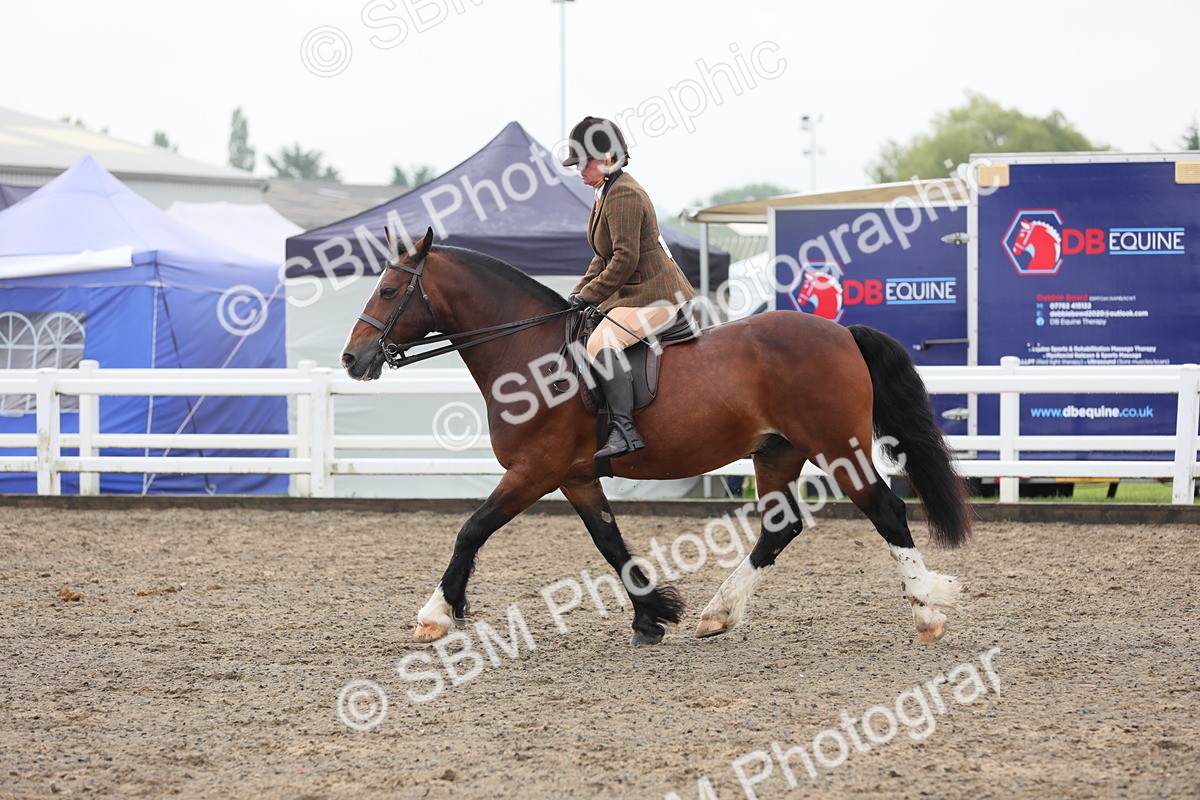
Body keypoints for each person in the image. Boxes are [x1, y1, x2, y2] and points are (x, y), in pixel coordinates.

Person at [562, 116, 696, 459]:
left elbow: (624, 259)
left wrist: (590, 296)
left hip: (658, 294)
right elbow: (602, 257)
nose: (579, 169)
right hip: (636, 293)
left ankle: (624, 429)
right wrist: (577, 294)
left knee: (602, 340)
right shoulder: (604, 193)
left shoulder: (624, 194)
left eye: (584, 161)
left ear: (607, 157)